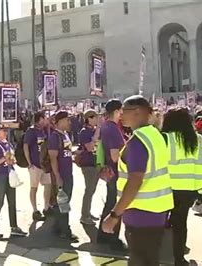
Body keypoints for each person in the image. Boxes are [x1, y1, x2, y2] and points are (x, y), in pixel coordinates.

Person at [102, 96, 173, 266]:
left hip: (141, 214)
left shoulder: (138, 141)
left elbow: (135, 181)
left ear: (137, 112)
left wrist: (114, 215)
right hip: (157, 212)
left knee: (141, 261)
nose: (121, 114)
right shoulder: (155, 135)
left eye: (124, 110)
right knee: (149, 259)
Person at [161, 107, 202, 265]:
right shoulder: (197, 139)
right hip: (190, 189)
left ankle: (157, 254)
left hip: (166, 187)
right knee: (181, 224)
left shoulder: (165, 138)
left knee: (159, 221)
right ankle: (179, 259)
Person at [97, 99, 127, 250]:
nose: (123, 113)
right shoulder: (113, 128)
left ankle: (102, 235)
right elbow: (115, 156)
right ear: (116, 111)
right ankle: (112, 238)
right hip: (116, 172)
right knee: (116, 206)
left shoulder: (106, 126)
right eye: (121, 110)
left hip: (110, 171)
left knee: (109, 203)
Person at [0, 124, 27, 238]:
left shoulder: (8, 144)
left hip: (9, 174)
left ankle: (14, 226)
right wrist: (4, 158)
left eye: (6, 130)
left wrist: (12, 160)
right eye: (2, 130)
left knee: (12, 202)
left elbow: (13, 159)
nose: (5, 132)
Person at [48, 111, 77, 242]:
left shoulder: (65, 135)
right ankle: (66, 231)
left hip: (68, 172)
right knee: (64, 202)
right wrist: (57, 175)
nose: (69, 122)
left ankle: (56, 227)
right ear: (59, 121)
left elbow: (66, 152)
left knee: (63, 201)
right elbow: (53, 158)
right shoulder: (54, 137)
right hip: (61, 175)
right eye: (67, 120)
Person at [24, 111, 52, 221]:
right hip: (35, 164)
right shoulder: (31, 131)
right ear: (40, 119)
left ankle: (46, 207)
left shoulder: (44, 130)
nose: (46, 120)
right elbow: (26, 146)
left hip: (44, 164)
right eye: (45, 118)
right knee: (34, 188)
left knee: (48, 185)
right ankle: (35, 210)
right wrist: (29, 162)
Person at [78, 109, 100, 225]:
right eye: (94, 117)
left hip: (96, 162)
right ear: (89, 119)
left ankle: (88, 211)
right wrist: (96, 134)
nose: (96, 119)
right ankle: (84, 215)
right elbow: (89, 147)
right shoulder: (84, 132)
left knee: (92, 189)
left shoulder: (94, 130)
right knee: (89, 189)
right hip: (87, 164)